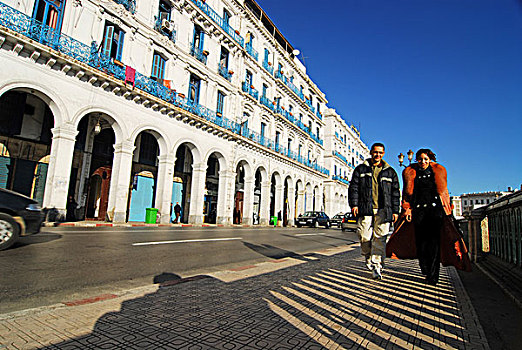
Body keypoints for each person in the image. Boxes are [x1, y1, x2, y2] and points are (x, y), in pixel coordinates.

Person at [386, 149, 471, 285]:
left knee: (434, 245)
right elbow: (407, 194)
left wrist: (448, 210)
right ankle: (425, 267)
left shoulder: (437, 172)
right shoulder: (411, 173)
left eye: (426, 159)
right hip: (419, 213)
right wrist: (407, 209)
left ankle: (433, 276)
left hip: (435, 212)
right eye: (420, 159)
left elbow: (444, 194)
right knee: (421, 244)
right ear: (417, 160)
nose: (423, 162)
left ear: (430, 159)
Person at [348, 142, 400, 280]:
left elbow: (395, 193)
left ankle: (377, 265)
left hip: (384, 209)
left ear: (383, 154)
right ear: (371, 152)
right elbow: (354, 188)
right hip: (366, 208)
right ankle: (367, 256)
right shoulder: (361, 169)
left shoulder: (390, 171)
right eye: (375, 152)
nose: (378, 155)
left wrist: (396, 211)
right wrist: (354, 204)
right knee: (364, 236)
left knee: (380, 237)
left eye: (380, 153)